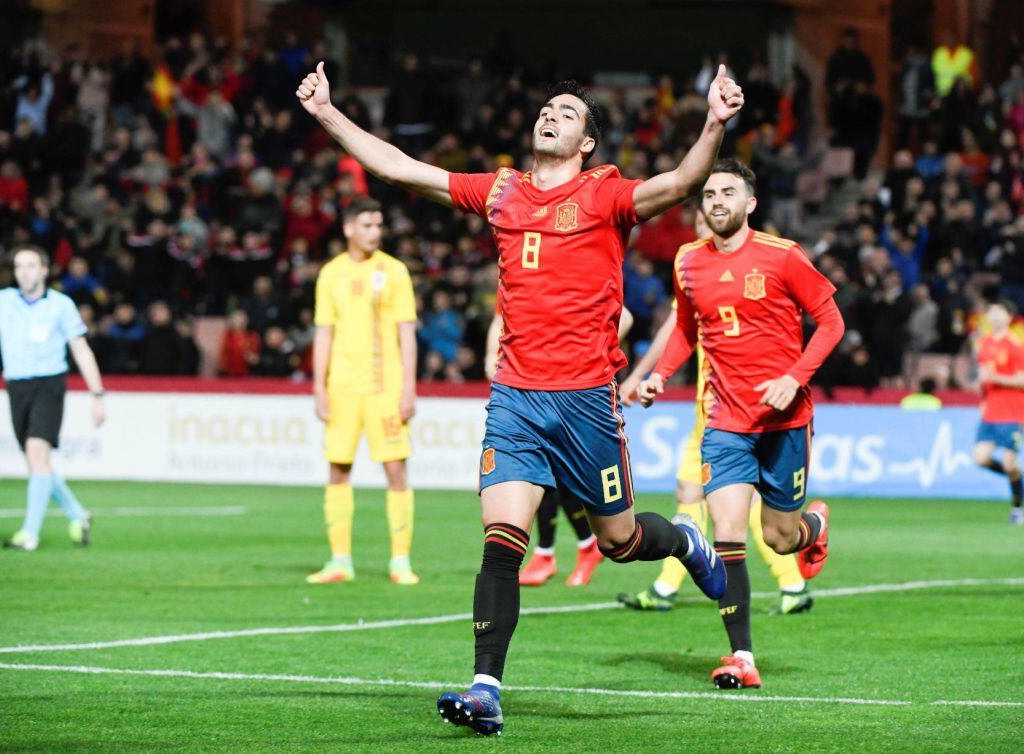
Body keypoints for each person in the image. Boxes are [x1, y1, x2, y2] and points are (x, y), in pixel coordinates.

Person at [298, 61, 742, 733]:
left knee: (620, 542)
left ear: (587, 142)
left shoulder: (606, 193)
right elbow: (400, 169)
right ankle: (485, 688)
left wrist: (713, 121)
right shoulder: (502, 190)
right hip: (516, 399)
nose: (551, 116)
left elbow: (680, 183)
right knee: (501, 538)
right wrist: (328, 113)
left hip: (588, 401)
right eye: (547, 109)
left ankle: (683, 542)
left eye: (567, 113)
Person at [638, 160, 844, 689]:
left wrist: (796, 377)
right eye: (708, 193)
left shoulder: (783, 256)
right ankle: (742, 657)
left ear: (750, 203)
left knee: (778, 538)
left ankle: (813, 528)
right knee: (728, 535)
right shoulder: (687, 261)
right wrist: (661, 375)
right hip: (724, 422)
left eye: (728, 192)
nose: (716, 200)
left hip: (784, 422)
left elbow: (831, 321)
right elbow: (686, 328)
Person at [617, 208, 813, 615]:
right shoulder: (697, 271)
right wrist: (647, 375)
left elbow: (675, 328)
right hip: (711, 406)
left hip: (732, 411)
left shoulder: (742, 271)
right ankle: (782, 585)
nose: (705, 228)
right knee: (701, 497)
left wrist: (640, 375)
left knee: (726, 506)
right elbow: (681, 328)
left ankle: (785, 582)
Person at [0, 247, 106, 551]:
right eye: (19, 266)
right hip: (16, 386)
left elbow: (82, 350)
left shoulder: (61, 305)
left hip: (49, 384)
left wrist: (97, 395)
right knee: (37, 462)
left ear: (45, 270)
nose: (24, 272)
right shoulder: (3, 301)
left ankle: (29, 534)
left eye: (31, 265)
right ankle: (77, 514)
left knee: (35, 453)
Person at [310, 197, 420, 585]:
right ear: (349, 229)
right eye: (368, 225)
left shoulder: (395, 271)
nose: (375, 231)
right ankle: (340, 560)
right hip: (341, 387)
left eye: (379, 225)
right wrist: (318, 387)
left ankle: (400, 561)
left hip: (384, 387)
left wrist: (408, 387)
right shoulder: (330, 274)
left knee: (396, 470)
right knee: (338, 470)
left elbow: (407, 333)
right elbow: (324, 333)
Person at [484, 307, 634, 588]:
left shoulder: (583, 273)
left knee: (565, 481)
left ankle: (570, 548)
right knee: (540, 475)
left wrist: (590, 356)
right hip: (527, 387)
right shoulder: (520, 269)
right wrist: (491, 356)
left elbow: (623, 316)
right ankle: (552, 551)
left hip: (577, 392)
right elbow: (501, 316)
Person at [972, 300, 1024, 525]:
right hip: (990, 411)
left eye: (998, 313)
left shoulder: (1016, 345)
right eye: (991, 313)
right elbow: (984, 378)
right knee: (981, 458)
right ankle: (1019, 480)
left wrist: (996, 378)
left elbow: (1022, 379)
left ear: (1009, 316)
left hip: (1012, 412)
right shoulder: (984, 344)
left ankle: (1017, 508)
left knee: (1010, 463)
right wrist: (982, 394)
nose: (993, 317)